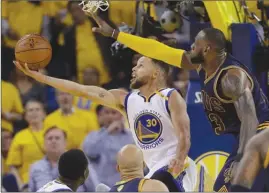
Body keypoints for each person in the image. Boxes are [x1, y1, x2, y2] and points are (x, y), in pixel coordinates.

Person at [87, 14, 269, 191]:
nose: (190, 46)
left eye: (195, 44)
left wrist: (241, 158)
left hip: (260, 135)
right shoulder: (203, 65)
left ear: (207, 49)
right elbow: (159, 51)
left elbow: (250, 119)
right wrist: (115, 34)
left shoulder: (231, 77)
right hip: (248, 138)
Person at [14, 54, 197, 191]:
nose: (134, 68)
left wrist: (179, 160)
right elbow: (82, 90)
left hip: (176, 169)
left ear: (156, 73)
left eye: (140, 65)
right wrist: (42, 78)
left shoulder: (170, 96)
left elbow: (185, 135)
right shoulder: (125, 99)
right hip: (151, 172)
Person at [29, 126, 67, 191]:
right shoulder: (35, 166)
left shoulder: (79, 165)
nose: (53, 141)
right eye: (50, 138)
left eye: (57, 138)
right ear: (44, 144)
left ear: (65, 143)